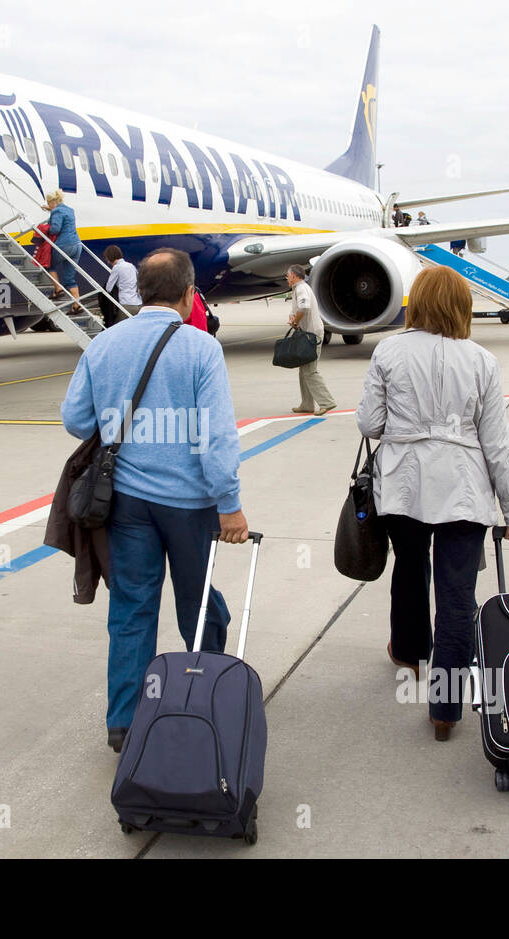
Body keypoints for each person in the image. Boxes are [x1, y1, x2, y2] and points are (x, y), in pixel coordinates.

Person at [60, 248, 249, 753]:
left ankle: (123, 722)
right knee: (200, 603)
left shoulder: (103, 344)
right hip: (189, 504)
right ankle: (207, 697)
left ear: (140, 292)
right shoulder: (200, 349)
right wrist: (229, 503)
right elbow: (216, 436)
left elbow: (77, 420)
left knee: (131, 609)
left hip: (126, 503)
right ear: (190, 296)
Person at [355, 266, 509, 742]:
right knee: (457, 597)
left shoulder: (389, 351)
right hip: (463, 491)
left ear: (418, 303)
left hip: (404, 487)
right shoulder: (482, 361)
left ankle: (409, 651)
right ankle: (445, 709)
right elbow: (498, 444)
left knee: (410, 568)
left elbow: (369, 423)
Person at [285, 264, 335, 416]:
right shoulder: (299, 288)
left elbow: (304, 307)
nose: (286, 278)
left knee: (310, 371)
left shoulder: (301, 288)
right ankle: (307, 404)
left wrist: (295, 322)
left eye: (287, 276)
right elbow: (300, 308)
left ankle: (327, 402)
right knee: (304, 370)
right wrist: (293, 316)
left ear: (294, 276)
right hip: (308, 334)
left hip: (312, 335)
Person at [43, 190, 85, 315]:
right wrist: (50, 211)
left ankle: (58, 289)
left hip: (64, 245)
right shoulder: (69, 209)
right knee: (69, 278)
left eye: (48, 203)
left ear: (53, 201)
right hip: (77, 245)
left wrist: (45, 228)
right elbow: (63, 217)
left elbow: (55, 229)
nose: (48, 205)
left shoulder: (56, 211)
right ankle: (76, 305)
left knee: (48, 264)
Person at [100, 245, 140, 326]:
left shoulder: (117, 268)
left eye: (107, 259)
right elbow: (139, 282)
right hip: (138, 304)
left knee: (116, 327)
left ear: (110, 257)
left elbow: (108, 288)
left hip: (125, 304)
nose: (107, 262)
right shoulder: (131, 265)